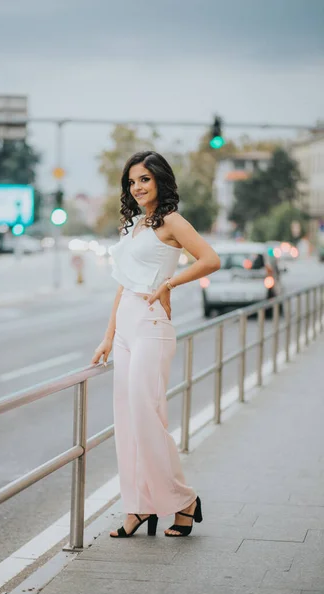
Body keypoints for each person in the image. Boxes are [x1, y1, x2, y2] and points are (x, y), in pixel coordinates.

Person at [91, 151, 220, 538]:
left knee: (146, 416)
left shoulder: (171, 221)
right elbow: (123, 284)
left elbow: (209, 259)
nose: (138, 187)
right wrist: (109, 336)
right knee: (127, 419)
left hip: (151, 324)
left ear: (161, 180)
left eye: (144, 179)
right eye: (132, 182)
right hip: (129, 324)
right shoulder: (134, 227)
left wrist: (170, 283)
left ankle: (183, 500)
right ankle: (138, 507)